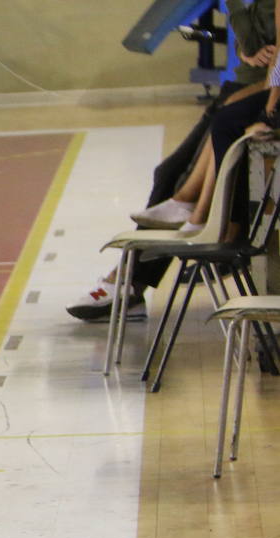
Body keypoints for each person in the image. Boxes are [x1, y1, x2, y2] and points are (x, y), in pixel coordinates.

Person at [67, 0, 275, 322]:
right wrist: (248, 51)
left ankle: (132, 279)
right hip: (245, 81)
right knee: (166, 172)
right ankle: (134, 275)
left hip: (262, 87)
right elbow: (248, 41)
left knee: (181, 174)